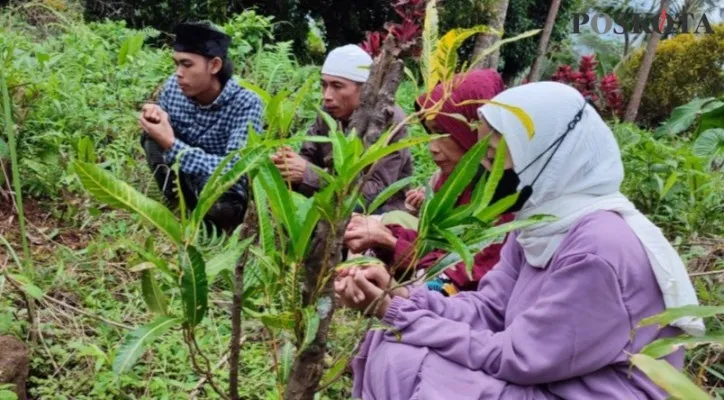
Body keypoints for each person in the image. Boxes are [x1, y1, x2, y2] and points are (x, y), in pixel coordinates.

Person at [336, 81, 704, 399]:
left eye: (494, 158)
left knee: (409, 359)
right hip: (545, 376)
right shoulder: (540, 223)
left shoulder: (597, 249)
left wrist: (402, 315)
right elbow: (489, 310)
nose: (484, 171)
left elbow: (520, 358)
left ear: (546, 158)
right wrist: (402, 298)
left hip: (585, 390)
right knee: (395, 344)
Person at [344, 69, 516, 295]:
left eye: (444, 133)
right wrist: (383, 236)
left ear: (473, 131)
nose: (432, 147)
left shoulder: (505, 196)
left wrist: (391, 241)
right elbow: (434, 240)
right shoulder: (452, 178)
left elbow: (465, 270)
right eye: (431, 133)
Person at [139, 22, 263, 232]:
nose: (178, 73)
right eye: (176, 64)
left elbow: (237, 168)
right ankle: (179, 206)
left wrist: (171, 144)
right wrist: (155, 117)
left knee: (223, 206)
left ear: (214, 66)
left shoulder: (246, 102)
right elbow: (162, 132)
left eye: (187, 65)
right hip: (183, 179)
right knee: (151, 137)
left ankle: (211, 227)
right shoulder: (173, 87)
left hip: (219, 186)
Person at [271, 45, 413, 213]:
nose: (327, 96)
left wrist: (309, 175)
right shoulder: (328, 113)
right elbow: (308, 156)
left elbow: (375, 192)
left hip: (378, 213)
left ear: (365, 88)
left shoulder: (389, 121)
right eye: (324, 85)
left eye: (337, 86)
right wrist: (286, 164)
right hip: (330, 199)